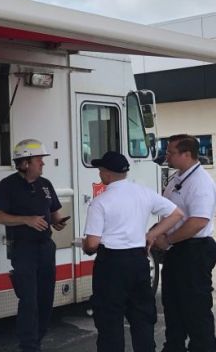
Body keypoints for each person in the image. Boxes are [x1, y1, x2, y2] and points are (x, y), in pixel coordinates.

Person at [83, 151, 184, 352]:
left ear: (107, 174)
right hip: (138, 261)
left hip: (111, 264)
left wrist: (85, 246)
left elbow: (93, 243)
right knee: (142, 317)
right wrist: (152, 234)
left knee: (109, 320)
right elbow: (176, 214)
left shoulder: (100, 202)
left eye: (101, 170)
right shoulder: (143, 193)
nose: (100, 174)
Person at [0, 139, 67, 352]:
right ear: (25, 163)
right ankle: (29, 346)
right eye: (39, 160)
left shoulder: (46, 185)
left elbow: (54, 213)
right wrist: (26, 220)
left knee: (45, 301)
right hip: (23, 249)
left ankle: (38, 341)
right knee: (29, 301)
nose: (43, 164)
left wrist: (58, 222)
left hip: (45, 247)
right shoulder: (7, 185)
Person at [152, 134, 216, 352]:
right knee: (173, 305)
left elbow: (198, 221)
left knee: (195, 308)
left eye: (171, 152)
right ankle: (174, 347)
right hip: (176, 250)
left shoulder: (200, 182)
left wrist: (168, 239)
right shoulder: (176, 178)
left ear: (186, 154)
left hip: (194, 250)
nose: (167, 156)